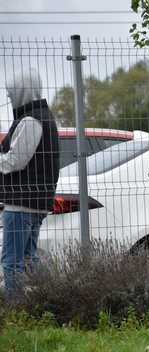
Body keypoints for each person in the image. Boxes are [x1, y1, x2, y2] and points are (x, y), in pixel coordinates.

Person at [0, 69, 60, 302]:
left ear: (23, 91)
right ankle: (53, 297)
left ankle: (16, 310)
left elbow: (16, 160)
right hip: (34, 201)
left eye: (12, 92)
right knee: (28, 257)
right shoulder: (43, 116)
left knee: (12, 261)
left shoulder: (31, 120)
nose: (10, 97)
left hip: (21, 203)